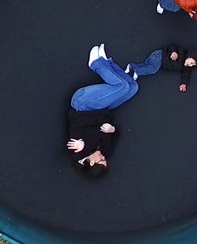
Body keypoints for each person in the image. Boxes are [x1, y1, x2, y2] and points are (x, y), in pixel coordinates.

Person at [65, 44, 160, 178]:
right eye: (105, 160)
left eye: (101, 160)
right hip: (103, 109)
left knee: (121, 87)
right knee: (132, 87)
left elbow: (76, 124)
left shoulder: (77, 151)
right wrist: (112, 130)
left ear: (92, 162)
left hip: (83, 104)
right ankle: (106, 62)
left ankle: (96, 64)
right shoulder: (106, 151)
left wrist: (81, 143)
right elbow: (117, 135)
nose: (104, 157)